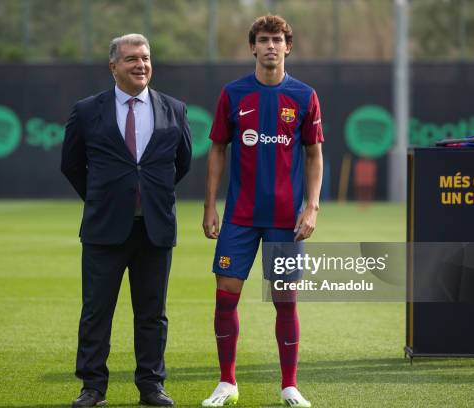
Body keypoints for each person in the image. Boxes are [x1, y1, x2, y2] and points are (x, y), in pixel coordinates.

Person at [61, 33, 192, 408]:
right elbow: (71, 164)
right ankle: (92, 387)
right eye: (132, 58)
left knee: (152, 314)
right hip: (105, 229)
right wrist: (104, 198)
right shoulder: (87, 110)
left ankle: (151, 386)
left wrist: (147, 195)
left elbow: (180, 164)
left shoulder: (174, 109)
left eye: (146, 58)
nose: (141, 65)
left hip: (155, 228)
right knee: (96, 312)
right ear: (113, 66)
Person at [201, 15, 323, 408]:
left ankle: (289, 386)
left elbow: (314, 153)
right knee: (226, 295)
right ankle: (227, 383)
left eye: (278, 40)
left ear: (288, 47)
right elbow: (217, 148)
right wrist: (210, 205)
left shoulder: (305, 96)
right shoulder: (233, 94)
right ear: (252, 47)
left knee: (285, 298)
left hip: (286, 221)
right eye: (264, 40)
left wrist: (312, 207)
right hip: (239, 217)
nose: (271, 46)